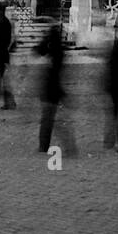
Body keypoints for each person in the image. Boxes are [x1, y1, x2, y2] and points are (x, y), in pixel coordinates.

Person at [36, 20, 74, 154]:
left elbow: (39, 50)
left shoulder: (52, 53)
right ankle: (64, 146)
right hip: (54, 90)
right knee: (52, 119)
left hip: (50, 89)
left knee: (49, 120)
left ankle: (44, 146)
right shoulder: (58, 52)